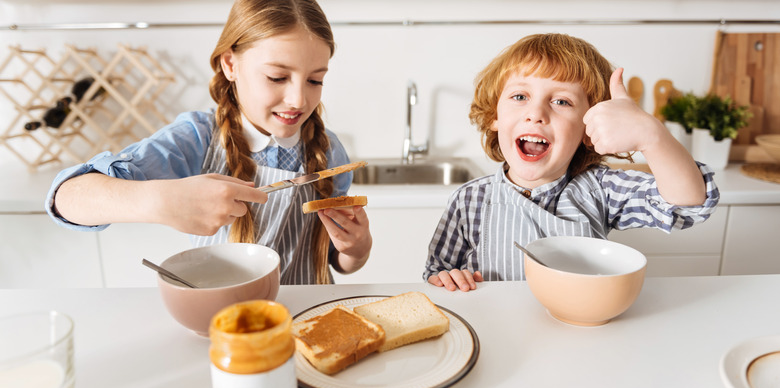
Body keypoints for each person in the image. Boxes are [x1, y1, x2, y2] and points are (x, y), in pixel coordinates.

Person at [45, 0, 371, 285]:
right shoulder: (197, 138)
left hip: (306, 322)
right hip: (222, 324)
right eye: (277, 77)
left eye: (315, 80)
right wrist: (159, 200)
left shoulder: (329, 150)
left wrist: (356, 250)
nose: (299, 99)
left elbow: (334, 260)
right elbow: (66, 197)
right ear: (231, 64)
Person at [425, 33, 719, 292]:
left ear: (589, 128)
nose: (536, 113)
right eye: (520, 96)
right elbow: (436, 274)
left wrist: (651, 136)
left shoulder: (600, 189)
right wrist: (448, 279)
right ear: (494, 117)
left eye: (561, 101)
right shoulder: (469, 201)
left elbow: (689, 203)